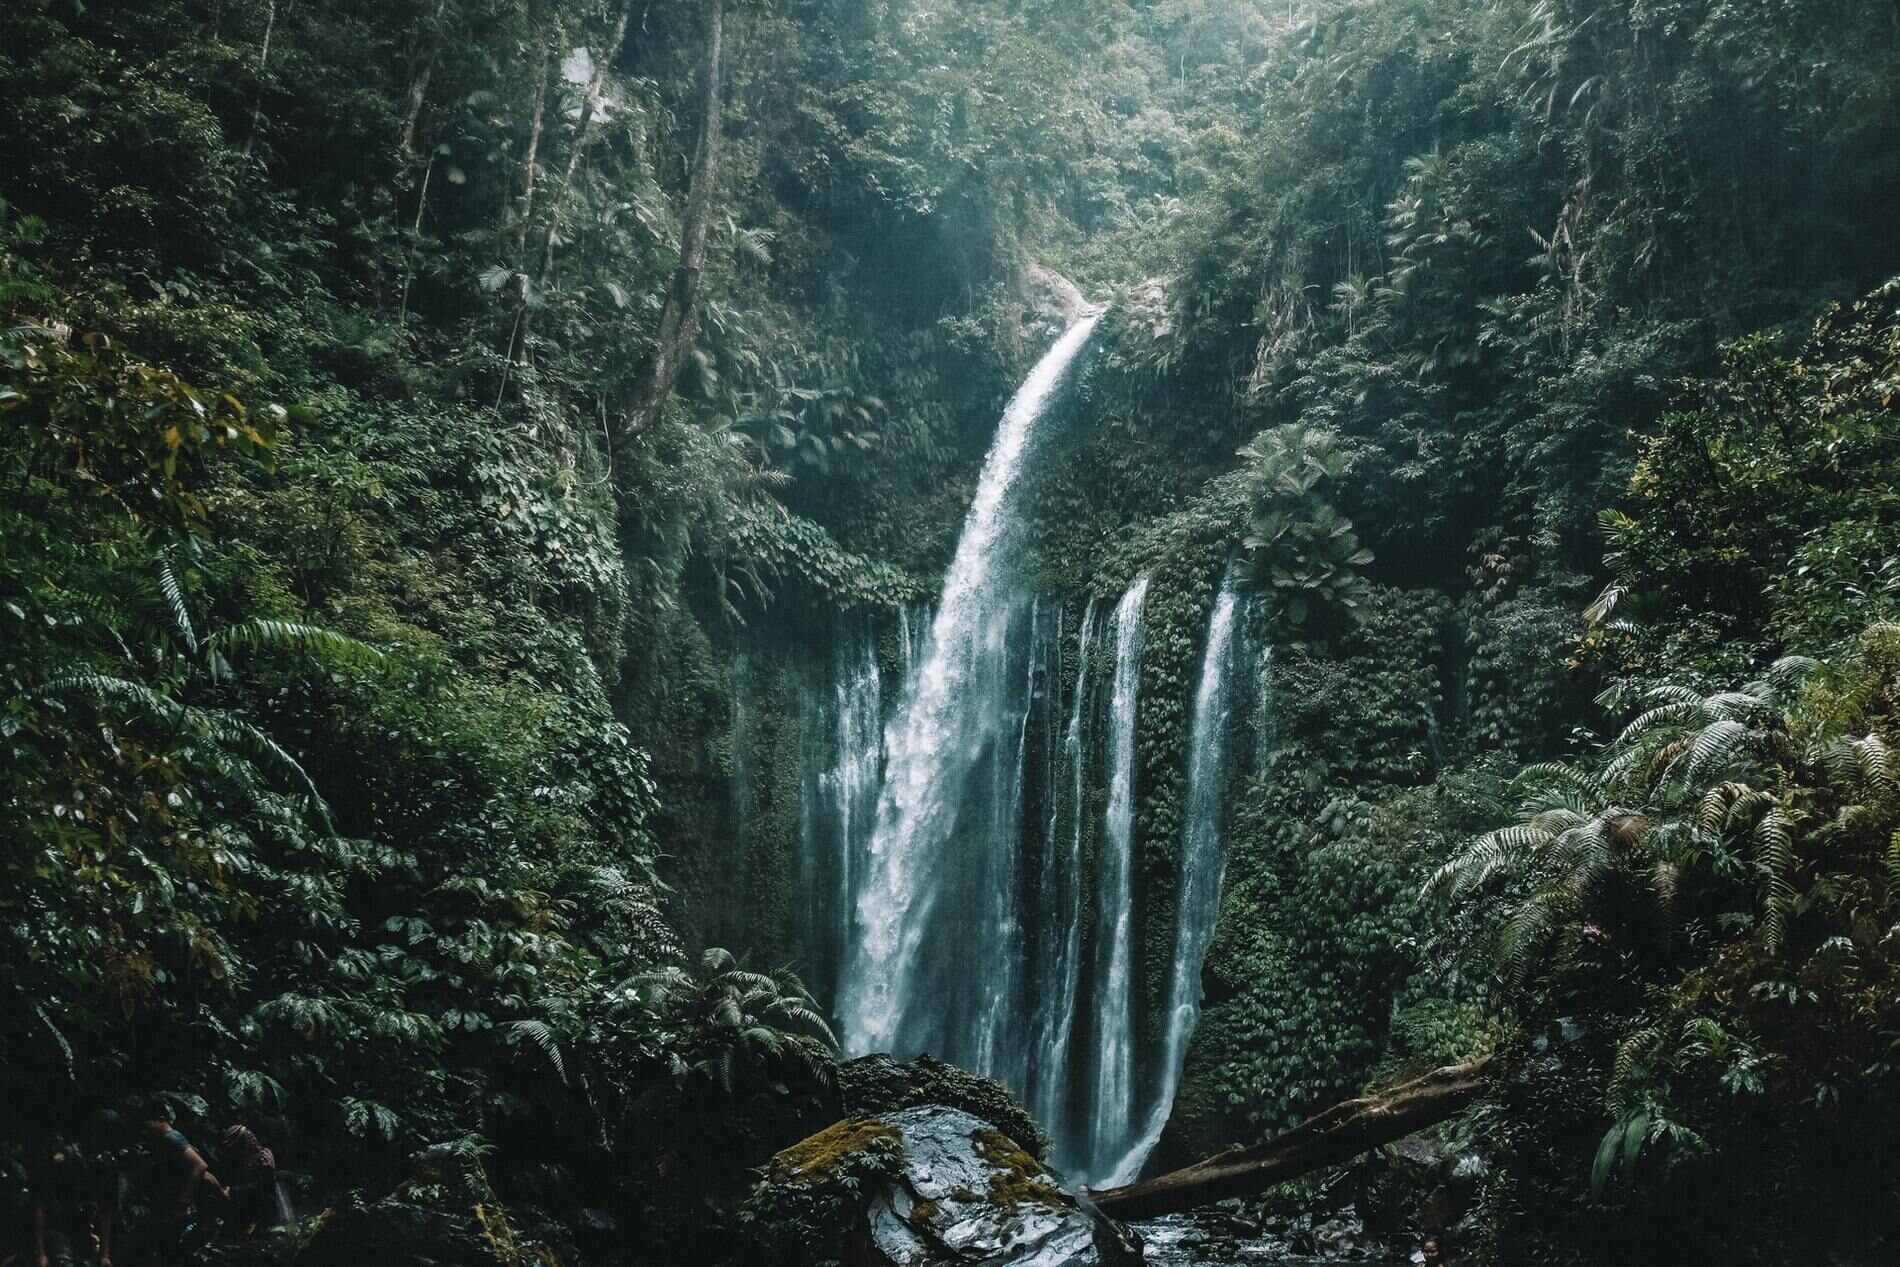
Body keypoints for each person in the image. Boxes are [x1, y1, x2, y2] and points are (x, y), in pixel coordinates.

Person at [23, 1134, 113, 1267]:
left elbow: (105, 1213)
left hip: (83, 1234)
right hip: (58, 1229)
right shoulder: (55, 1181)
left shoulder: (96, 1175)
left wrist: (104, 1254)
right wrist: (41, 1253)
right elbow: (40, 1210)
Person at [214, 1128, 280, 1236]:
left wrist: (232, 1191)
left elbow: (261, 1187)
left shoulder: (263, 1158)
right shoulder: (242, 1159)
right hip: (247, 1206)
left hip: (263, 1208)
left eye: (251, 1137)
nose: (253, 1140)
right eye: (249, 1138)